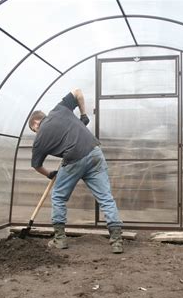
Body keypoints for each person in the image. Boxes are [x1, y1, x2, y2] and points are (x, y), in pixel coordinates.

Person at [28, 88, 123, 254]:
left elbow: (36, 165)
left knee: (58, 196)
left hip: (74, 159)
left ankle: (60, 239)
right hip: (95, 153)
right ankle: (116, 241)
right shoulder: (59, 109)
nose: (36, 133)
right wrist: (83, 115)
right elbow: (78, 92)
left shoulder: (39, 139)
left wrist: (49, 174)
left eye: (34, 130)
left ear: (35, 123)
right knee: (105, 197)